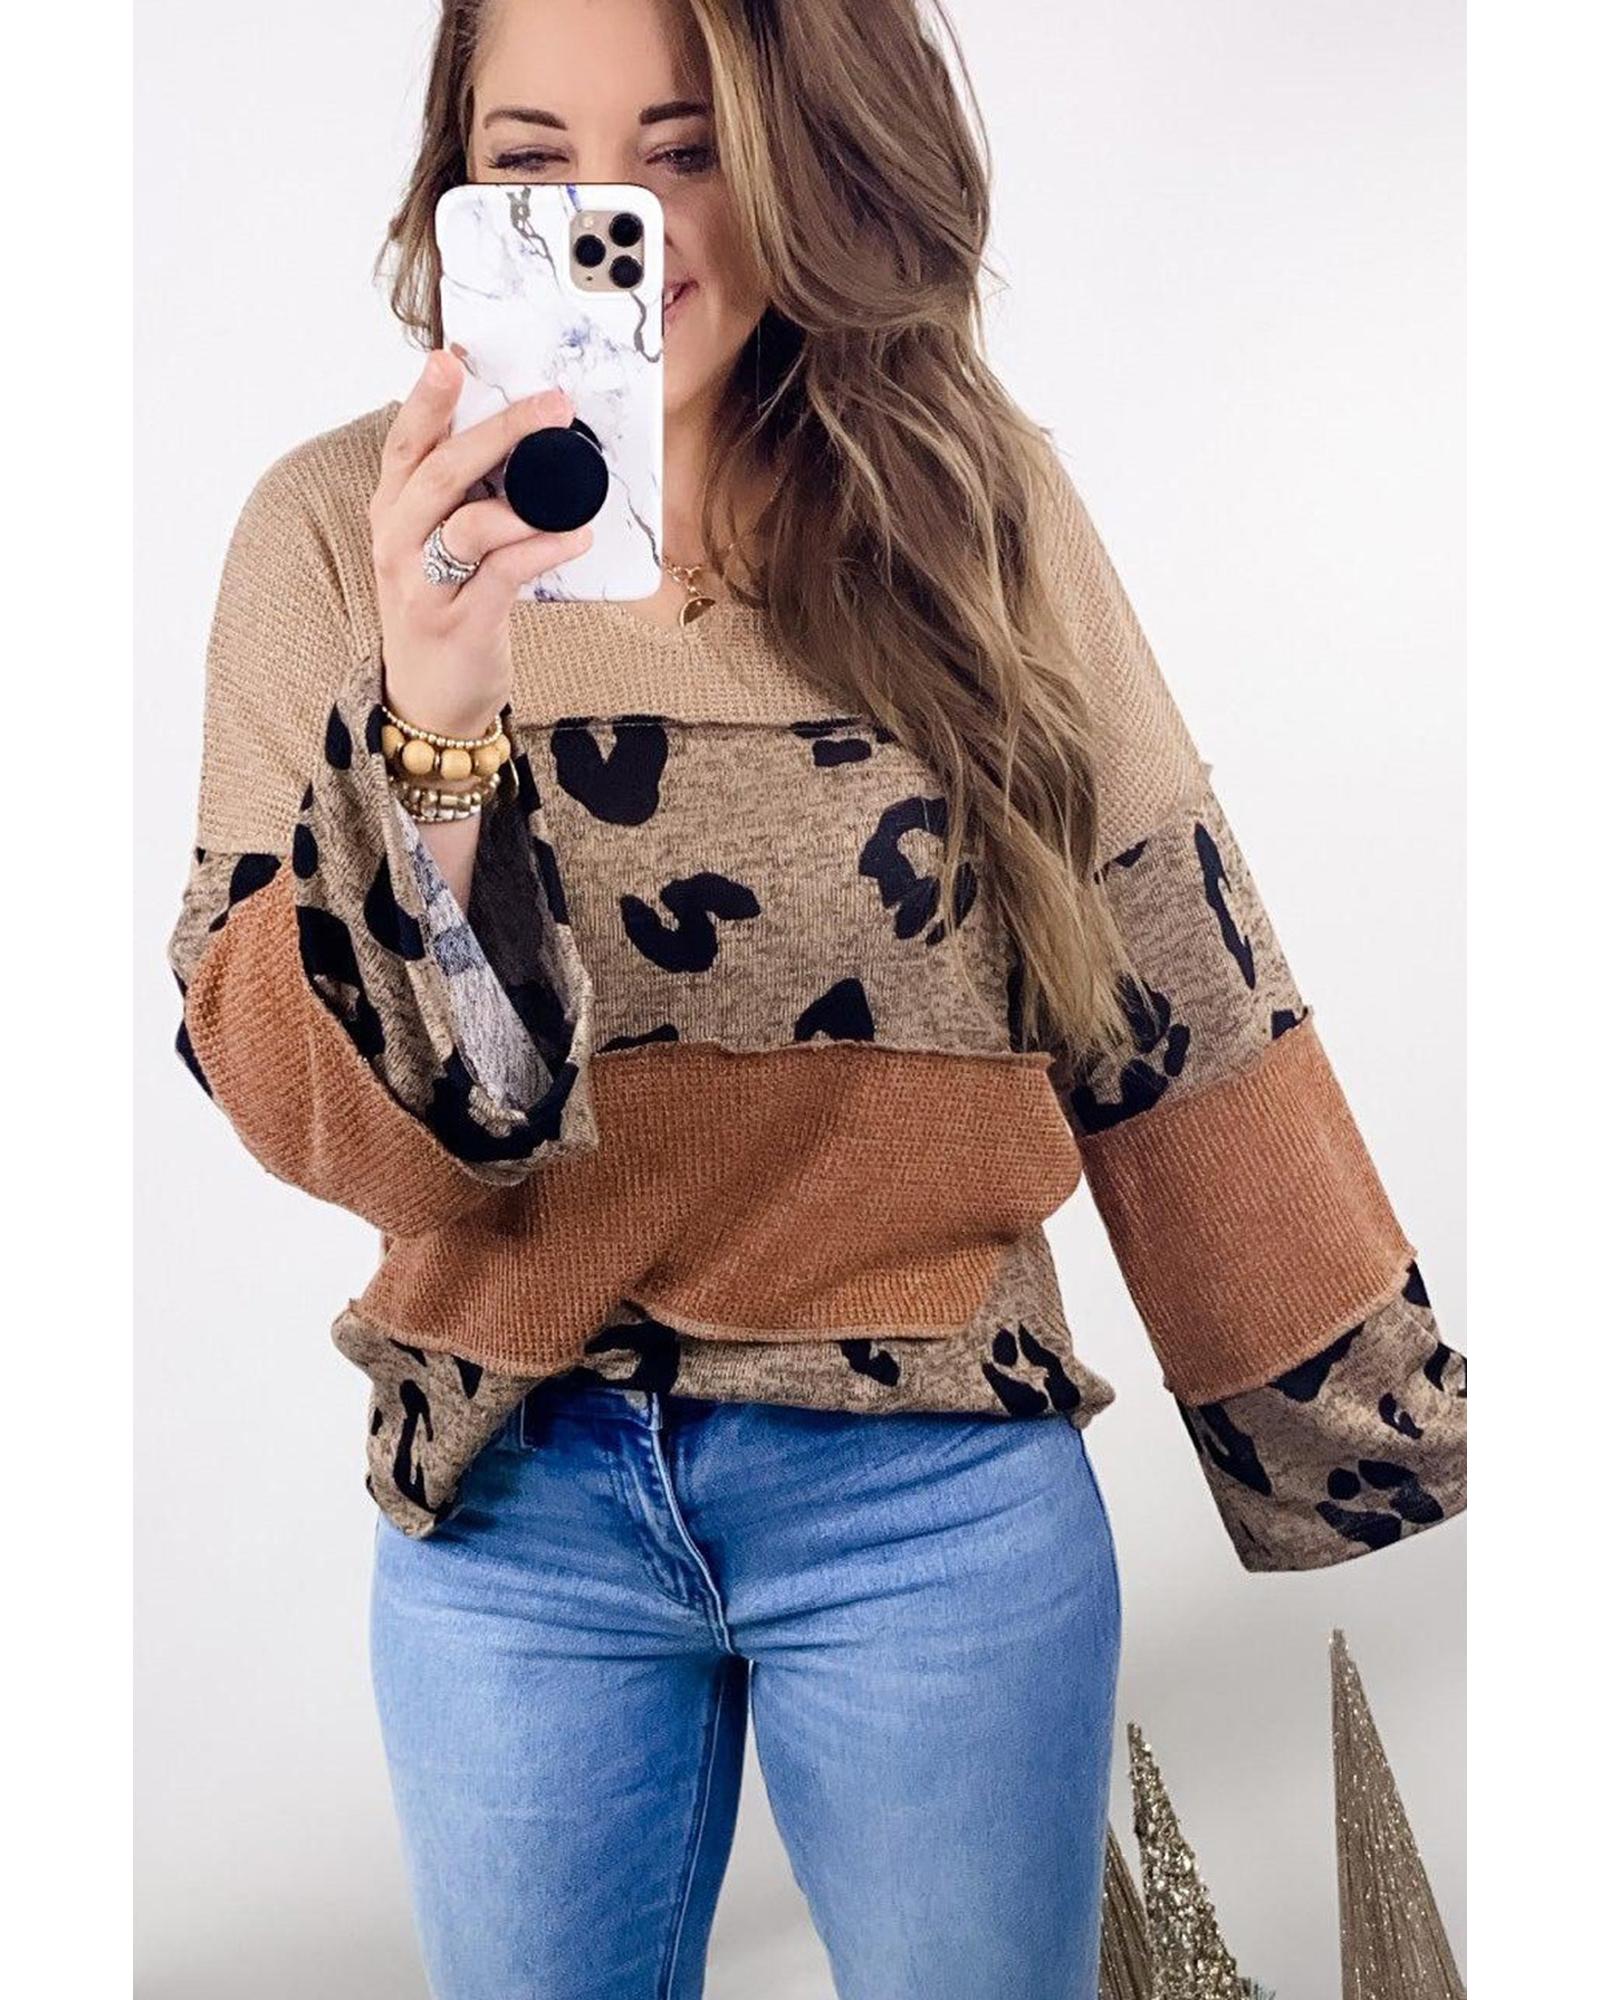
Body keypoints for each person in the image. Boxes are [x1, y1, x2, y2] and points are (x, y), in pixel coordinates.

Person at [166, 1, 1467, 1994]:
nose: (618, 220)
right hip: (512, 1499)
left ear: (799, 156)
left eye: (685, 147)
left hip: (927, 1482)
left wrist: (1353, 1421)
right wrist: (431, 729)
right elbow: (311, 1105)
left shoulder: (964, 503)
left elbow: (1161, 951)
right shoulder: (333, 539)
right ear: (455, 189)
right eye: (534, 163)